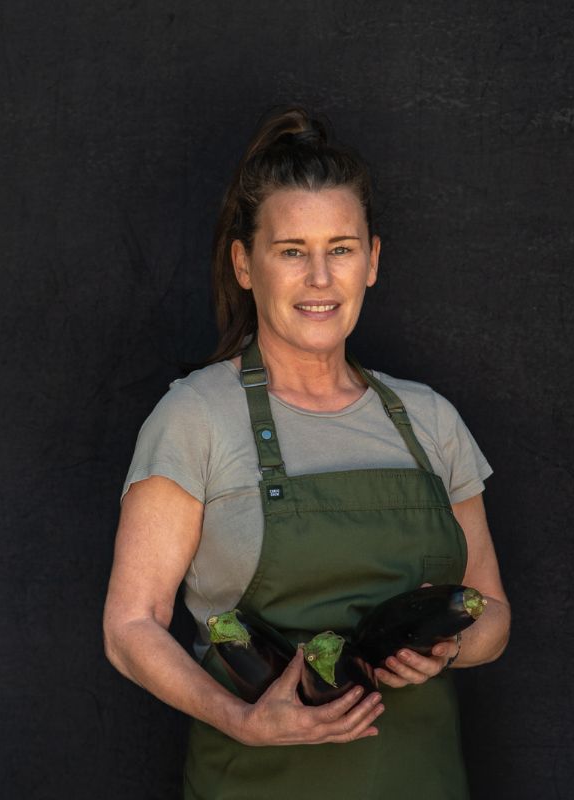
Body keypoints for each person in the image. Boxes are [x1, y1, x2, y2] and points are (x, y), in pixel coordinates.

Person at [103, 106, 511, 799]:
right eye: (292, 250)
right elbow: (129, 626)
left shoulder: (429, 419)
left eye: (341, 249)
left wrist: (447, 647)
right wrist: (240, 716)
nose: (320, 279)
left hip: (422, 780)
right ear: (244, 263)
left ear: (372, 261)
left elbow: (492, 614)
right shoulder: (196, 416)